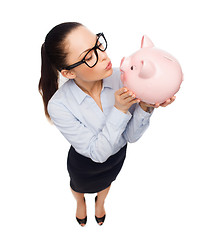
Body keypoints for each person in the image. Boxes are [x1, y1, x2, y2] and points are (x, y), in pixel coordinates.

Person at [38, 22, 175, 227]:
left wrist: (146, 105)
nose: (103, 55)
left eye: (98, 45)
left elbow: (131, 137)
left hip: (117, 156)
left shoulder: (125, 76)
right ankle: (80, 202)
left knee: (107, 182)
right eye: (89, 56)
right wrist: (120, 110)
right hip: (84, 163)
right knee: (78, 186)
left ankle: (100, 202)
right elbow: (98, 154)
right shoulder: (59, 105)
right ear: (68, 73)